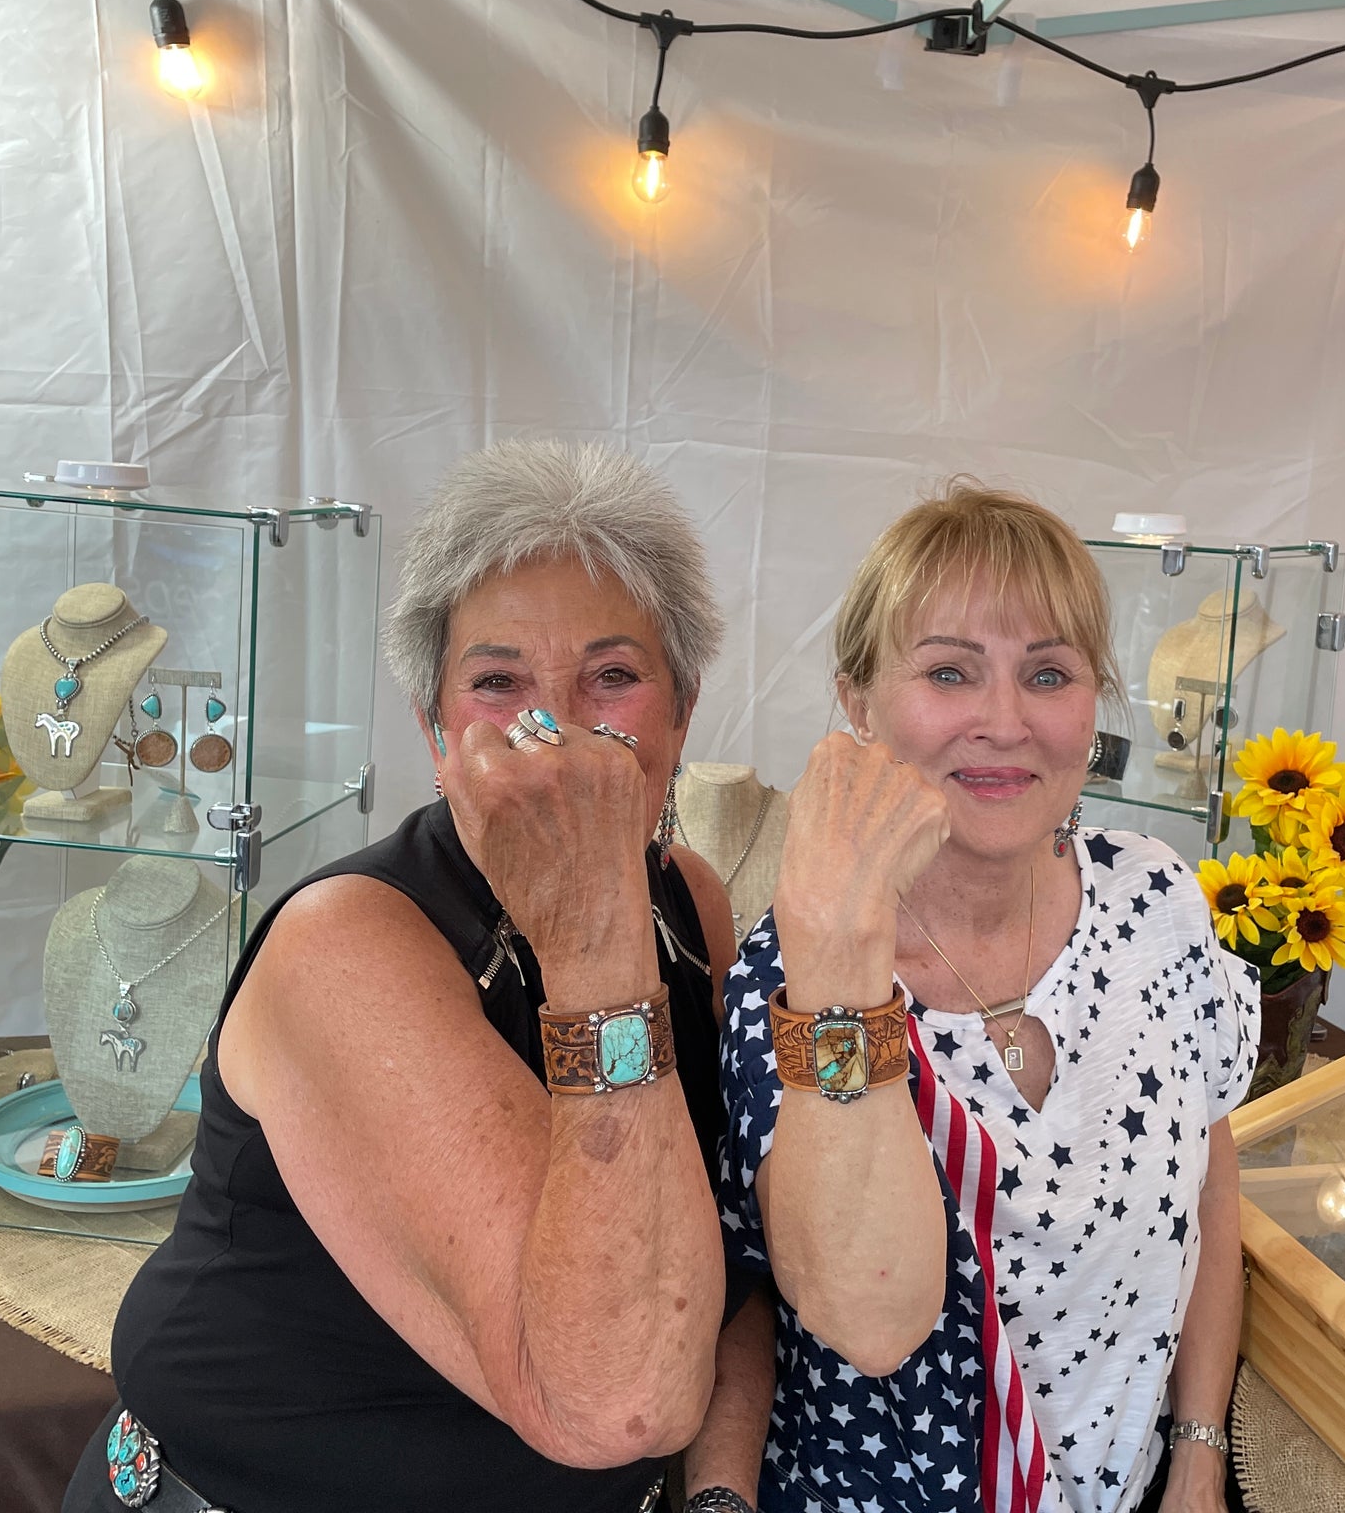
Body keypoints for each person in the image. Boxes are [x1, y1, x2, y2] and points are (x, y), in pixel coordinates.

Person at [66, 441, 772, 1513]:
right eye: (498, 683)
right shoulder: (345, 944)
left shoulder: (689, 903)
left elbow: (719, 1267)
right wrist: (589, 937)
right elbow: (615, 1400)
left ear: (680, 714)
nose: (555, 727)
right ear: (435, 734)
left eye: (613, 677)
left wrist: (719, 1499)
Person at [718, 481, 1259, 1513]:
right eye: (949, 672)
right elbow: (865, 1315)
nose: (1004, 721)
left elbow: (1209, 1178)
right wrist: (843, 961)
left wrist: (1196, 1450)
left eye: (1046, 673)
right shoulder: (793, 982)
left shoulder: (1154, 898)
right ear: (858, 701)